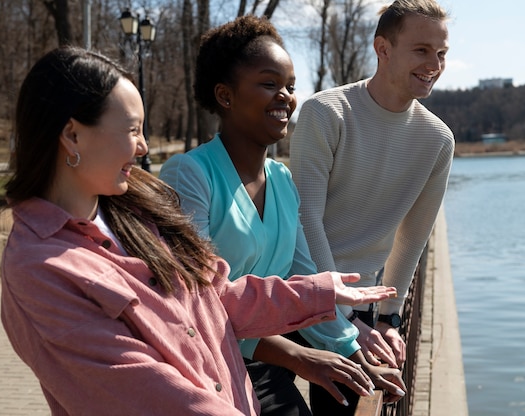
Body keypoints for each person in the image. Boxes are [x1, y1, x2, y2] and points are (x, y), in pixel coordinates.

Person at [0, 46, 398, 416]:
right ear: (72, 136)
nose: (143, 147)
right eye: (132, 130)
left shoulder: (137, 206)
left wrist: (319, 293)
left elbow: (213, 298)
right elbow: (146, 392)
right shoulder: (38, 267)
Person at [159, 15, 405, 416]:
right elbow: (199, 302)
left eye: (290, 86)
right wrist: (298, 356)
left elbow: (303, 282)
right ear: (225, 95)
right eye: (269, 84)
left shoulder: (282, 178)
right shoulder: (188, 175)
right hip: (206, 370)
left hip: (270, 368)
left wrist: (355, 350)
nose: (286, 97)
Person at [289, 0, 455, 413]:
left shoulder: (438, 140)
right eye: (421, 50)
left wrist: (388, 320)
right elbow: (305, 219)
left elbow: (413, 237)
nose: (434, 64)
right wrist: (342, 318)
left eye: (441, 53)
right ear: (383, 49)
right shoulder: (326, 113)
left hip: (359, 304)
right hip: (294, 293)